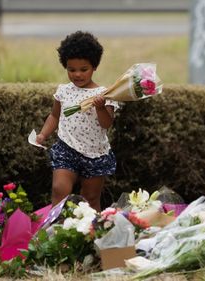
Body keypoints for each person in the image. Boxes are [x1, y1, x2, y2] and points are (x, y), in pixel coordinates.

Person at [36, 31, 119, 211]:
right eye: (71, 70)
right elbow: (55, 116)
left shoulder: (105, 94)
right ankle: (56, 231)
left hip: (95, 153)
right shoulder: (64, 91)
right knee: (59, 190)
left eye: (83, 69)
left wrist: (100, 107)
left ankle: (90, 235)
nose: (77, 75)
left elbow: (106, 124)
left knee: (90, 199)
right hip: (67, 148)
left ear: (94, 66)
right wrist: (43, 134)